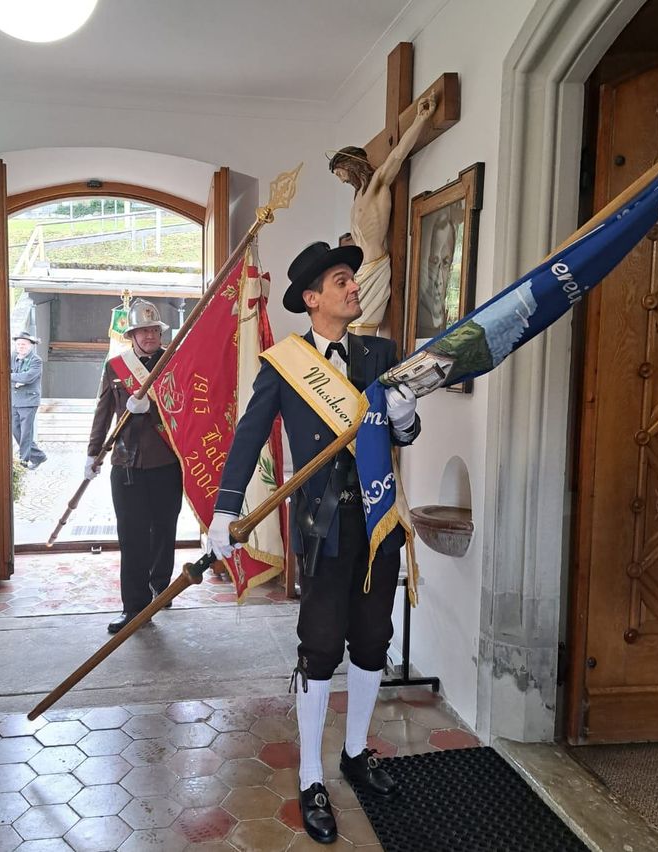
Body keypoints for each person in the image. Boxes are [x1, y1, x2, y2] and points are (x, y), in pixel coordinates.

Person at [207, 242, 421, 845]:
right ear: (312, 298)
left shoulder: (380, 354)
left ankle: (355, 753)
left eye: (352, 279)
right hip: (324, 527)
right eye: (342, 280)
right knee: (321, 647)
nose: (354, 288)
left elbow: (406, 431)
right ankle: (310, 776)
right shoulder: (285, 363)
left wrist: (403, 416)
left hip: (378, 521)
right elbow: (249, 438)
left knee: (375, 638)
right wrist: (226, 509)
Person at [85, 299, 183, 634]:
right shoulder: (116, 366)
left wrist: (151, 410)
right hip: (126, 464)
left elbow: (182, 410)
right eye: (144, 330)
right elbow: (103, 410)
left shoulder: (173, 361)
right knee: (132, 536)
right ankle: (135, 607)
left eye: (155, 329)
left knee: (164, 529)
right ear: (132, 335)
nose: (151, 335)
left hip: (167, 462)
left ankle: (160, 587)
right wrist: (92, 453)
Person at [329, 95, 437, 333]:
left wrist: (421, 118)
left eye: (339, 173)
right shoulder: (357, 195)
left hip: (376, 266)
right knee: (349, 330)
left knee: (363, 331)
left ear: (350, 164)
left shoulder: (378, 183)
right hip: (360, 270)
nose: (340, 179)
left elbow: (398, 154)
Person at [416, 210, 458, 338]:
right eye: (433, 262)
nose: (438, 279)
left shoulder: (451, 320)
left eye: (445, 263)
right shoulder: (417, 320)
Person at [10, 331, 47, 470]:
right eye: (19, 344)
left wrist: (11, 376)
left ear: (31, 345)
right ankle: (39, 456)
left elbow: (28, 377)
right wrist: (16, 378)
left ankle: (23, 461)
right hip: (14, 400)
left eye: (24, 344)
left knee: (26, 432)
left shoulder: (36, 360)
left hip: (29, 401)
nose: (21, 346)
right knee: (16, 430)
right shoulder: (13, 356)